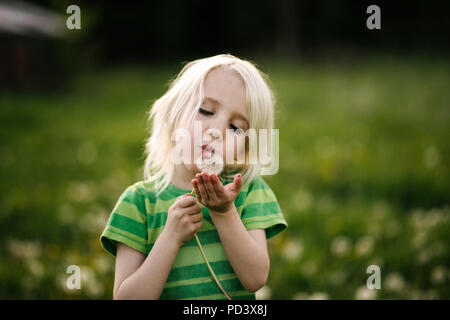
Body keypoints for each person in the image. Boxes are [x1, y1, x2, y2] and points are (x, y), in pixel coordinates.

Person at [100, 54, 287, 300]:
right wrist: (170, 238)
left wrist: (224, 213)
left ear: (246, 146)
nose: (217, 131)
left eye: (235, 128)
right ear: (174, 111)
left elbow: (255, 279)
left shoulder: (249, 191)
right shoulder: (139, 203)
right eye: (206, 110)